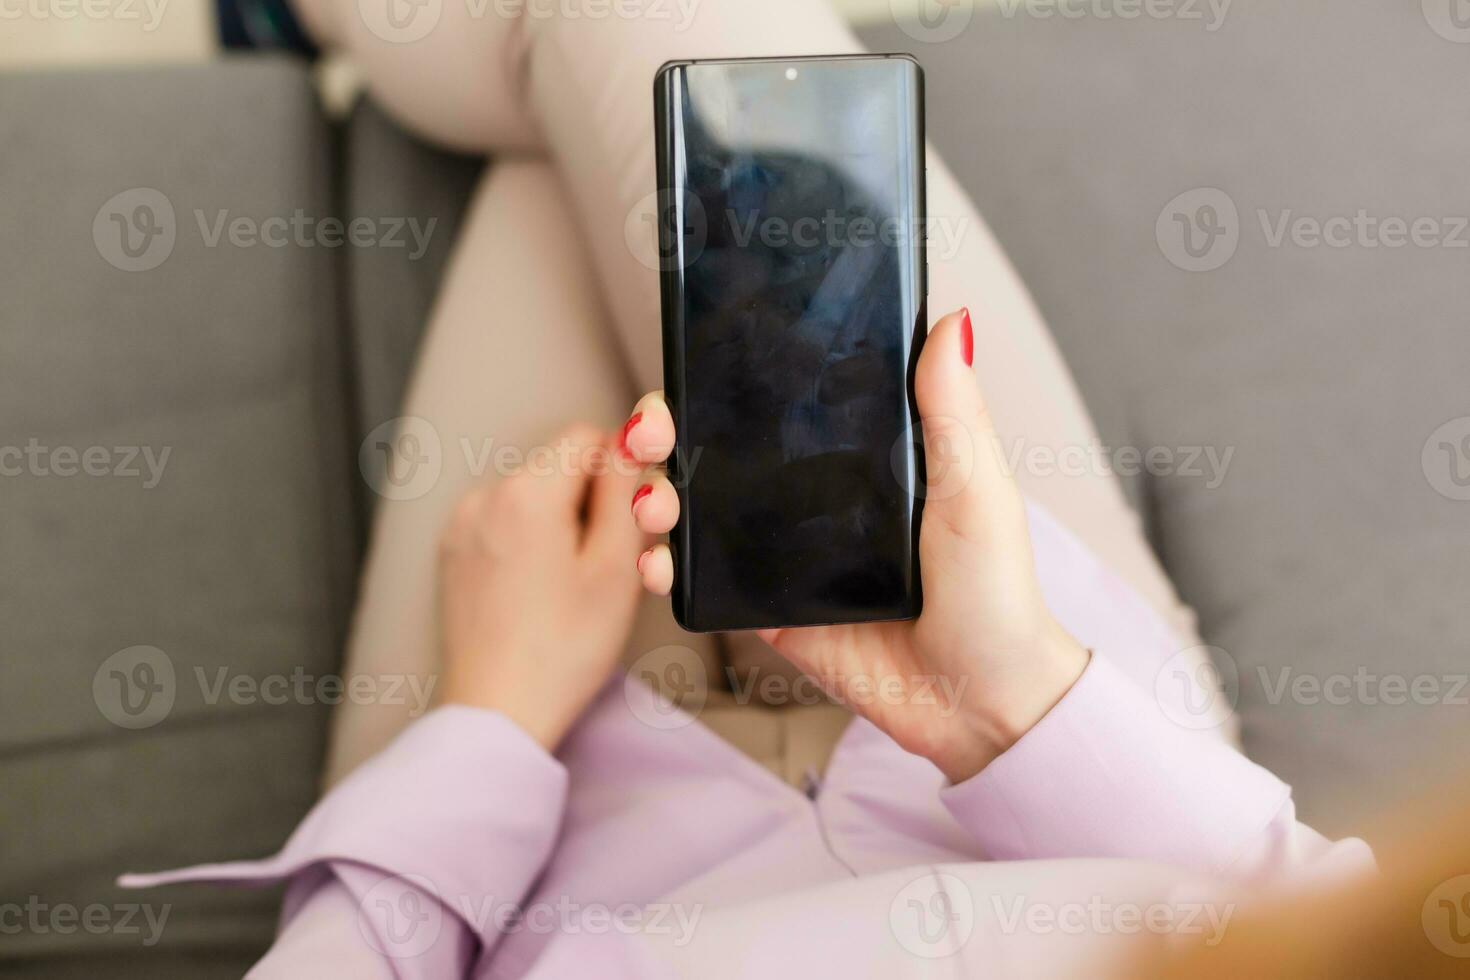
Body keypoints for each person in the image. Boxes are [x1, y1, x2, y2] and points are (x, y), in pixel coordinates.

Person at [121, 1, 1375, 976]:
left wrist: (486, 715)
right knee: (630, 99)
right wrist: (1016, 698)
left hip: (541, 825)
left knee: (570, 143)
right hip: (1064, 740)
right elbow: (1342, 933)